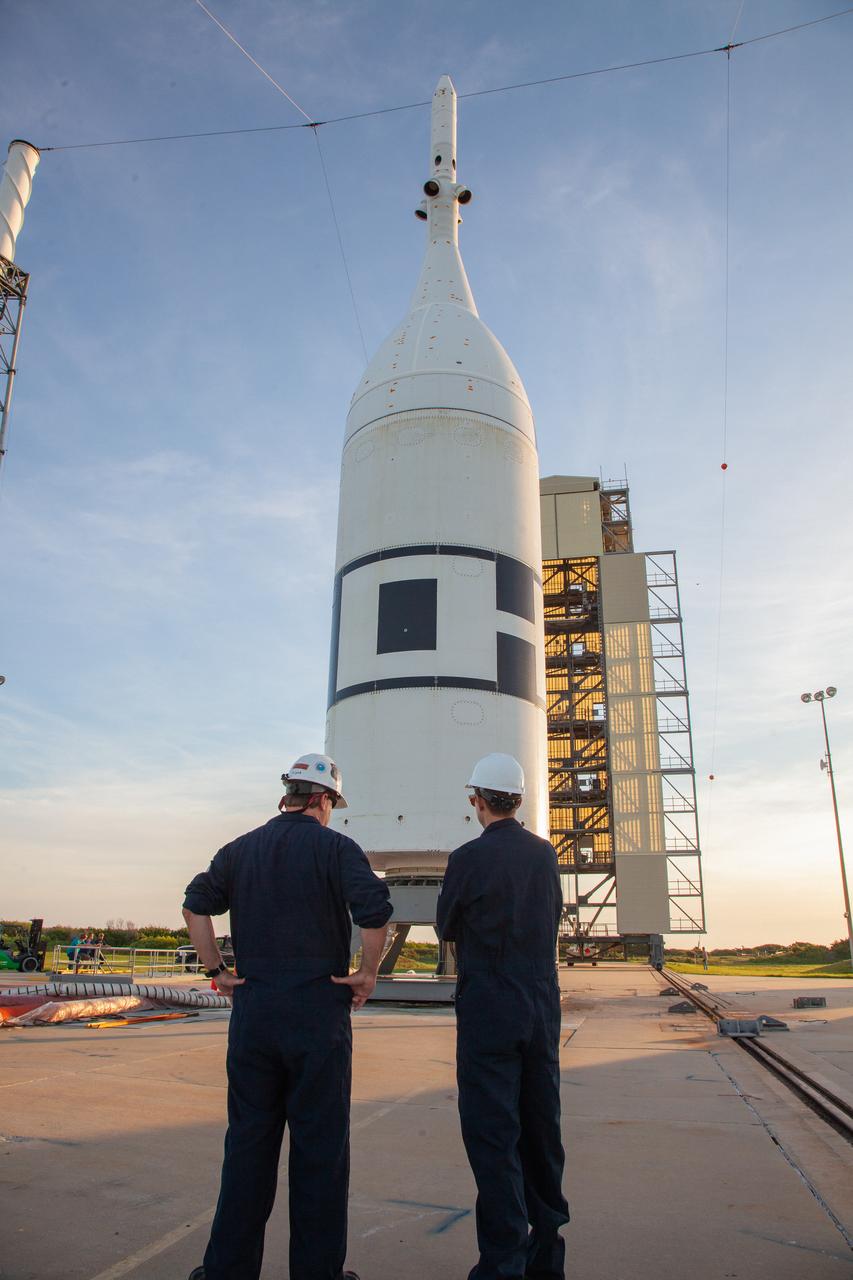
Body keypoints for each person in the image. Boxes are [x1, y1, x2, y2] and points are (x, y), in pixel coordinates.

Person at [182, 753, 392, 1280]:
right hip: (318, 1018)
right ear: (323, 800)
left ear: (288, 794)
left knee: (248, 1145)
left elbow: (194, 905)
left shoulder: (239, 849)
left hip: (254, 1016)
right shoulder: (338, 849)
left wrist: (217, 970)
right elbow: (374, 912)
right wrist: (367, 974)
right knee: (320, 1152)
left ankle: (226, 1271)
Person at [437, 753, 569, 1280]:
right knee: (541, 1127)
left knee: (494, 1136)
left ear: (477, 800)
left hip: (489, 1006)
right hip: (540, 1004)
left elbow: (447, 925)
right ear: (518, 799)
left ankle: (501, 1264)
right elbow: (552, 914)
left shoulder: (467, 858)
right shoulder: (545, 855)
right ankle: (547, 1258)